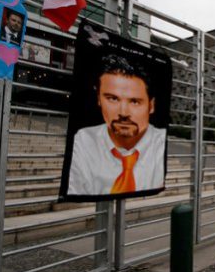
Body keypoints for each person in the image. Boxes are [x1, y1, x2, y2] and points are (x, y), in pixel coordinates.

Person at [68, 55, 166, 195]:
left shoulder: (161, 142)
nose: (123, 113)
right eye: (113, 99)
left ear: (151, 106)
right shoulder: (83, 141)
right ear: (99, 100)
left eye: (134, 101)